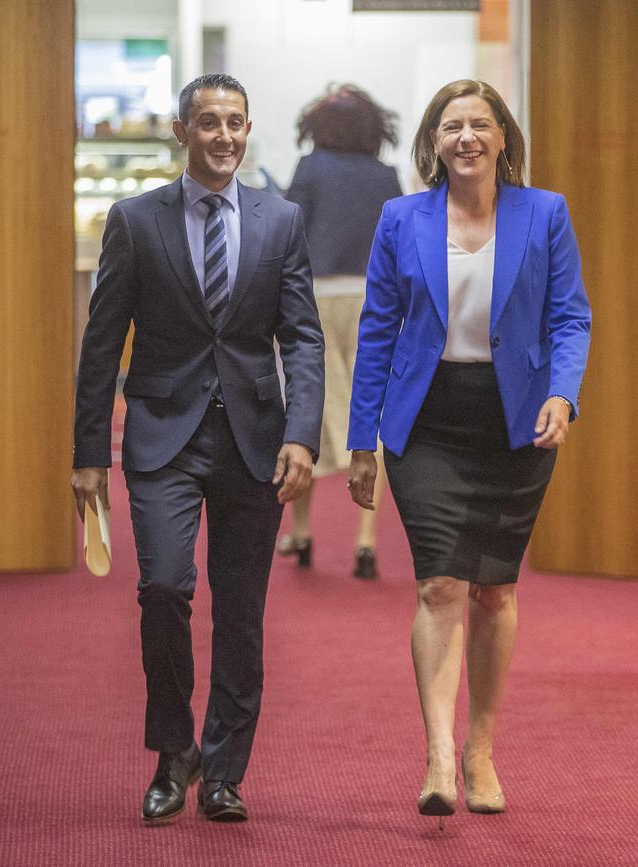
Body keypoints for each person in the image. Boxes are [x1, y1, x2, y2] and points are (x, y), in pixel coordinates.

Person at [71, 73, 324, 825]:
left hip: (254, 437)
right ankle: (172, 749)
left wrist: (305, 433)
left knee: (242, 611)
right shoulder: (135, 220)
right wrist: (90, 450)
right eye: (209, 122)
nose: (224, 136)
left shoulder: (281, 220)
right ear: (182, 131)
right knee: (164, 589)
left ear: (248, 130)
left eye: (236, 123)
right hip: (160, 434)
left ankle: (223, 769)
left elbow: (303, 337)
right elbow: (101, 342)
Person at [347, 80, 591, 827]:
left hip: (516, 422)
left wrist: (563, 392)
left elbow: (570, 315)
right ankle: (439, 755)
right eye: (451, 125)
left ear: (502, 137)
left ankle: (482, 747)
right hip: (426, 423)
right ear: (434, 140)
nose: (466, 137)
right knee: (439, 586)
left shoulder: (544, 212)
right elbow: (377, 330)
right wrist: (362, 441)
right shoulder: (401, 217)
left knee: (494, 591)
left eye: (479, 124)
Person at [280, 84, 402, 578]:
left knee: (305, 410)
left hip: (315, 297)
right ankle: (366, 542)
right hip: (374, 300)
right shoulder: (385, 176)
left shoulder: (310, 170)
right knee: (371, 414)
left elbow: (287, 233)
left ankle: (303, 534)